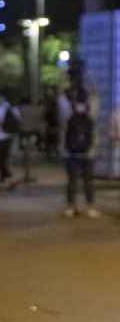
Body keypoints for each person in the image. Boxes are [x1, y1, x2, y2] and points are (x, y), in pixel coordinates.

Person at [58, 65, 100, 218]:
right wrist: (88, 75)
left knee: (72, 180)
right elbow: (96, 94)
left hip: (70, 148)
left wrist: (64, 76)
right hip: (88, 147)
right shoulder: (91, 107)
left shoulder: (66, 104)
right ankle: (90, 207)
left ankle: (71, 207)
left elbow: (61, 97)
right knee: (88, 180)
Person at [0, 92, 21, 188]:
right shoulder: (13, 108)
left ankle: (11, 179)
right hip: (9, 136)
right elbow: (18, 121)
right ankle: (2, 181)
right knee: (3, 158)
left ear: (1, 97)